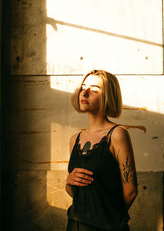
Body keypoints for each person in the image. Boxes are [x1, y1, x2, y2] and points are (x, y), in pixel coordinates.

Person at [65, 70, 138, 231]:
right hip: (74, 224)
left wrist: (109, 220)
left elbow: (131, 191)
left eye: (94, 89)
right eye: (83, 87)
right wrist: (69, 181)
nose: (84, 92)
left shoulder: (117, 134)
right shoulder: (75, 139)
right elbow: (79, 194)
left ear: (108, 97)